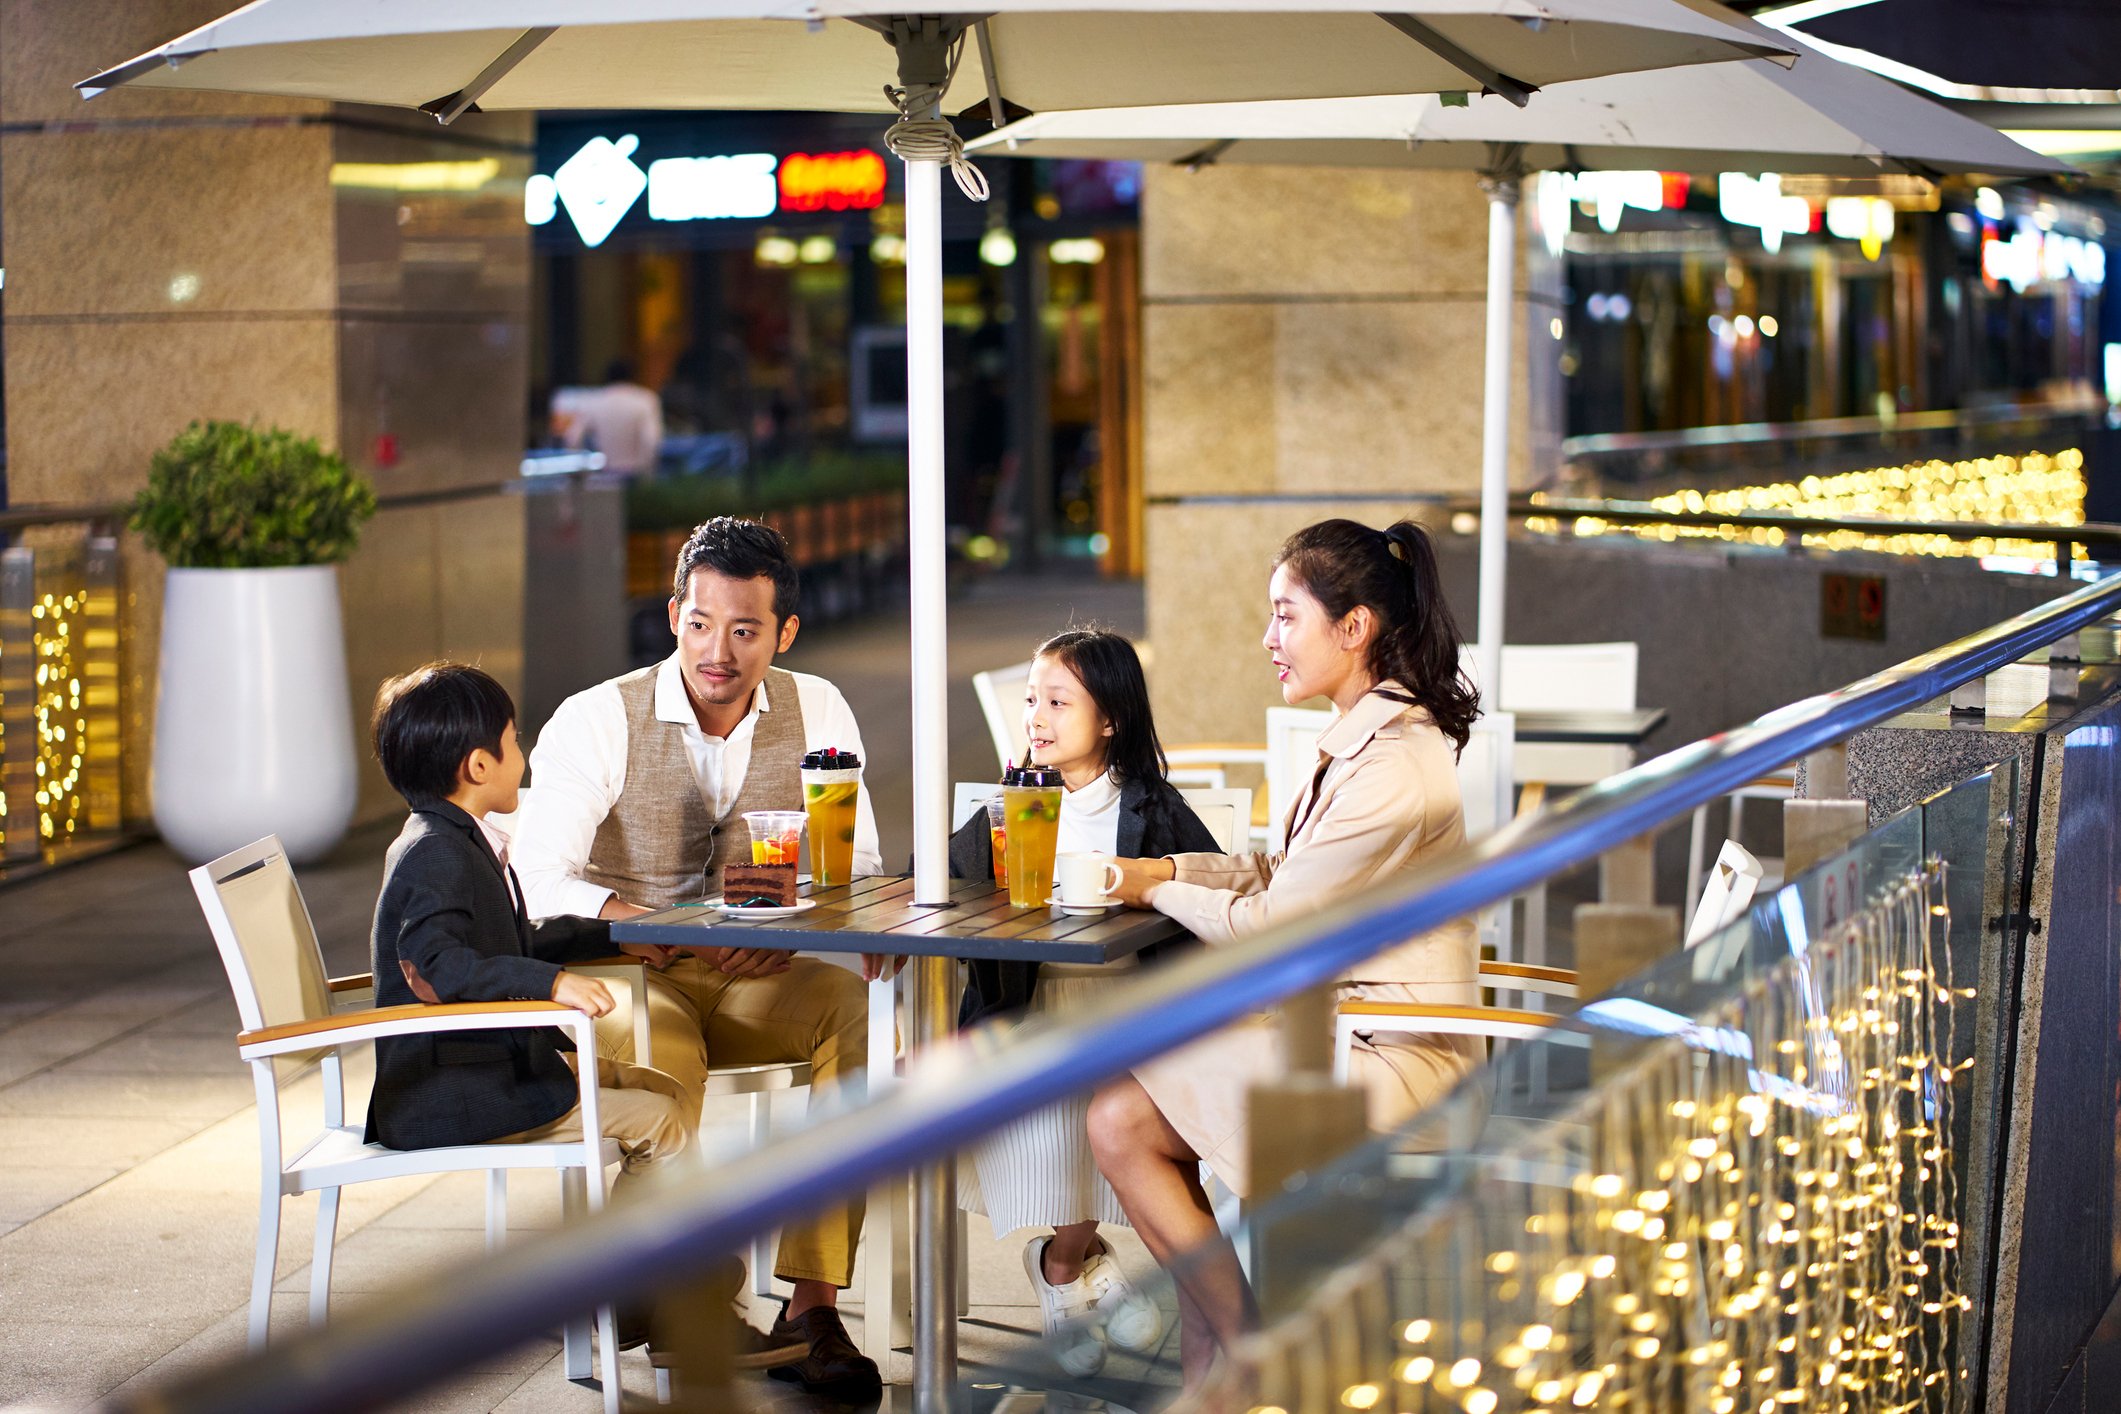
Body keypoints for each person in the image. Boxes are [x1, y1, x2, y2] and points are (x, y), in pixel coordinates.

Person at [1090, 519, 1485, 1389]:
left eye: (1284, 616)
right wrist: (1161, 866)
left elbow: (1273, 922)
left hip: (1394, 1054)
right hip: (1344, 1028)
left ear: (1354, 628)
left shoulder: (1392, 764)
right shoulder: (1364, 735)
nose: (1266, 639)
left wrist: (1149, 889)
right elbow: (1282, 872)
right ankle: (1217, 1362)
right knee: (1120, 1114)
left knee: (1116, 1109)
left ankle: (1250, 1360)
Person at [512, 518, 885, 1401]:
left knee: (855, 1013)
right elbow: (535, 876)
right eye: (700, 624)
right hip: (618, 971)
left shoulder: (818, 708)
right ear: (674, 614)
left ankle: (812, 1303)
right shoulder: (598, 718)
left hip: (748, 966)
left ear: (782, 633)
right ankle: (682, 1294)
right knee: (667, 1059)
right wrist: (626, 916)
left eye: (746, 629)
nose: (719, 651)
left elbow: (859, 864)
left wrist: (785, 931)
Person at [363, 662, 802, 1370]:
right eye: (513, 740)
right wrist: (553, 981)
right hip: (455, 1092)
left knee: (661, 1096)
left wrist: (610, 938)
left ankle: (648, 1290)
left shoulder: (454, 838)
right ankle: (668, 1307)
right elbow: (437, 963)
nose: (524, 753)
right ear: (478, 765)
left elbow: (508, 939)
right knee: (661, 1121)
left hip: (485, 1067)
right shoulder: (437, 856)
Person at [947, 629, 1219, 1376]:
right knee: (1066, 1088)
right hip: (1032, 1012)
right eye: (1030, 700)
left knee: (1118, 1100)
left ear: (1110, 721)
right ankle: (1078, 1260)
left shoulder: (1152, 808)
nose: (1034, 716)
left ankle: (1065, 1263)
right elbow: (934, 880)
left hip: (1130, 1012)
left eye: (1057, 702)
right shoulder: (1013, 803)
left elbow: (1209, 883)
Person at [561, 358, 664, 475]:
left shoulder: (595, 401)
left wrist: (582, 471)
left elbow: (572, 439)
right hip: (635, 473)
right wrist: (646, 471)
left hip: (605, 473)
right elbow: (651, 440)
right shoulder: (645, 400)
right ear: (633, 377)